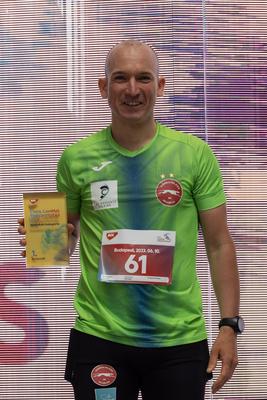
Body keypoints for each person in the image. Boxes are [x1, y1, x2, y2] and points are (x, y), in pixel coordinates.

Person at [19, 39, 243, 400]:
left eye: (144, 78)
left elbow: (219, 244)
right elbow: (66, 239)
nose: (133, 89)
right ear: (104, 88)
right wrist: (46, 239)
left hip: (178, 340)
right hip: (99, 336)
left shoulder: (194, 155)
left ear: (160, 86)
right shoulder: (76, 158)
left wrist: (229, 326)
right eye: (121, 78)